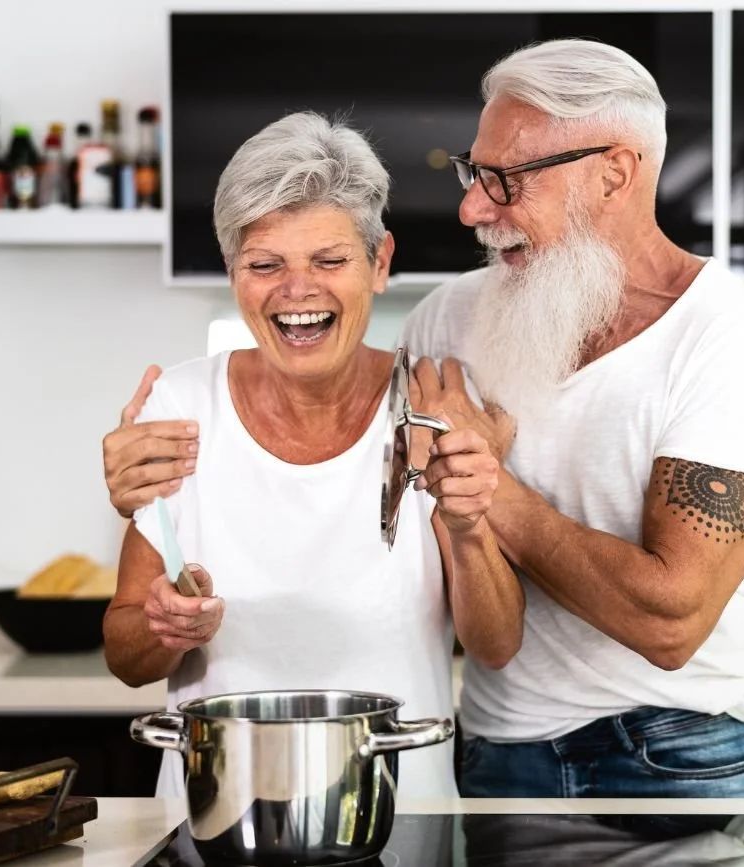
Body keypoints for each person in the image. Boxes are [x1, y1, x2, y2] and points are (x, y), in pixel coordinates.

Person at [103, 38, 744, 799]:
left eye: (504, 179)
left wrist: (487, 484)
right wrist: (143, 495)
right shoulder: (448, 324)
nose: (471, 206)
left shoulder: (726, 335)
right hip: (497, 745)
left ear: (614, 173)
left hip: (676, 745)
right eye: (475, 172)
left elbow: (673, 623)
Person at [99, 110, 524, 801]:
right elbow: (125, 656)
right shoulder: (180, 407)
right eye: (265, 264)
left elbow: (497, 645)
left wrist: (473, 522)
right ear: (234, 272)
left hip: (398, 813)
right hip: (215, 817)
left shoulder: (431, 401)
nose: (298, 292)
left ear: (379, 263)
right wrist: (165, 624)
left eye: (329, 260)